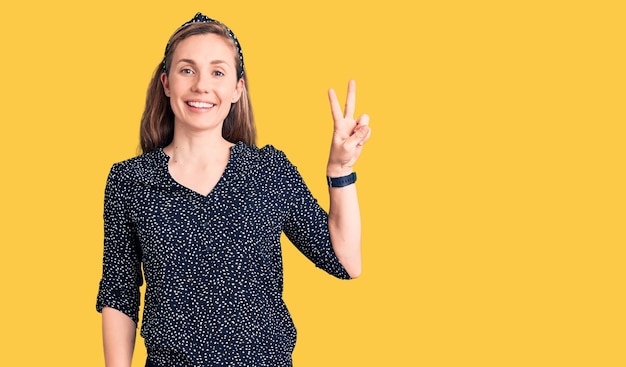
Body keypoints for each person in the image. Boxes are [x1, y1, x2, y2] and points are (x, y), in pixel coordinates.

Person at [96, 12, 371, 367]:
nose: (201, 86)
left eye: (218, 72)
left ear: (237, 89)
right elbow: (119, 294)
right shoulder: (130, 181)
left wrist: (340, 170)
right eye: (187, 70)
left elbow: (346, 262)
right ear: (166, 83)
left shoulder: (268, 171)